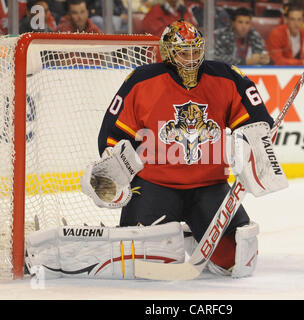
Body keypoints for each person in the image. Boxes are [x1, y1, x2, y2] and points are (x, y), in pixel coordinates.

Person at [83, 20, 286, 278]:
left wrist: (253, 146)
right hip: (155, 186)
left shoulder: (226, 76)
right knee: (142, 266)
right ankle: (181, 228)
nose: (191, 59)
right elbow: (113, 134)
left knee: (236, 261)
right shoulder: (142, 81)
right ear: (168, 53)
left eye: (195, 51)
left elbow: (257, 122)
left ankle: (192, 232)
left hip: (209, 187)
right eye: (183, 52)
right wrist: (114, 172)